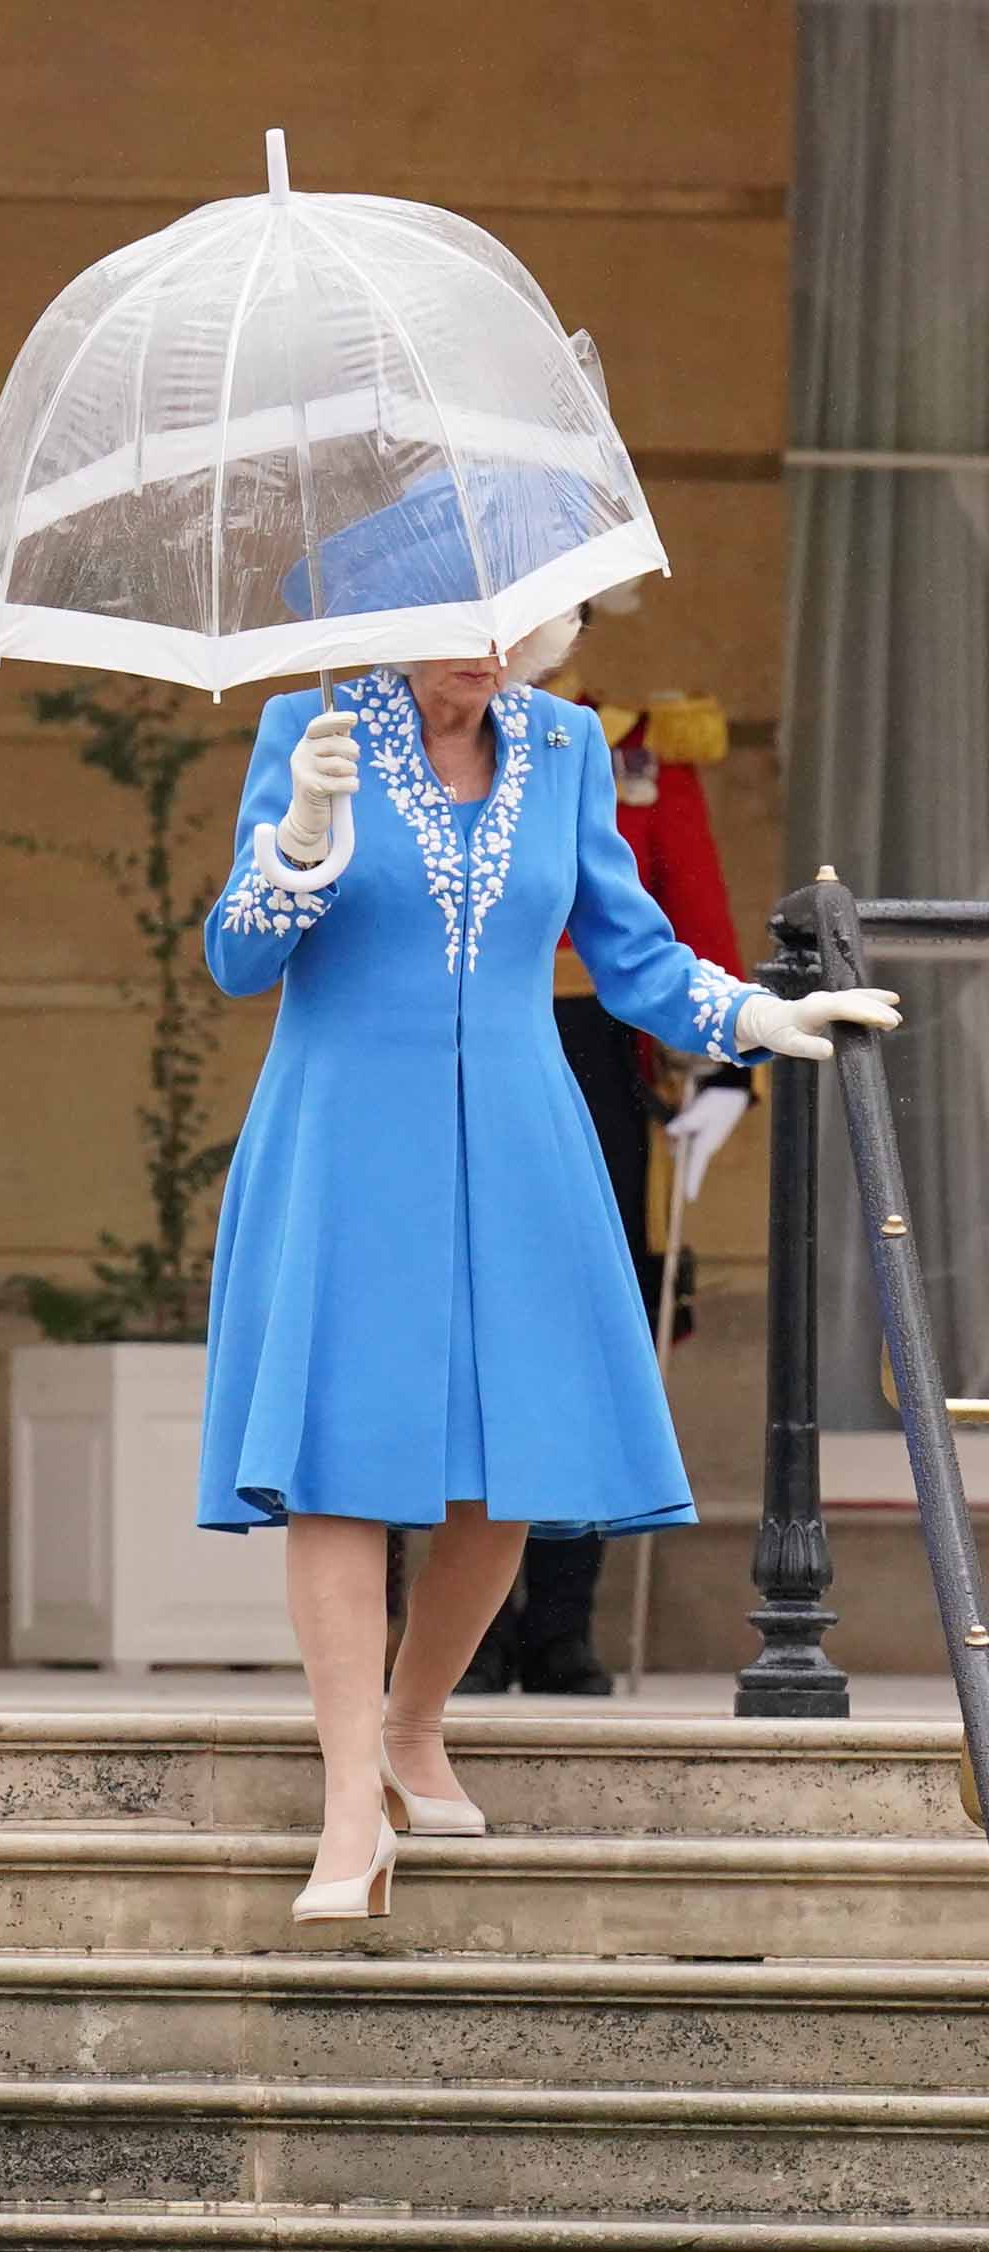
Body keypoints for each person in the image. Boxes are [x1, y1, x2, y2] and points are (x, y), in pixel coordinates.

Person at [199, 554, 897, 1923]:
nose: (496, 649)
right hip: (346, 1135)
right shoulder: (311, 729)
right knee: (340, 1464)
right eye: (464, 627)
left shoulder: (568, 745)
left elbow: (630, 954)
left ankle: (414, 1726)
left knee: (500, 1468)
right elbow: (237, 961)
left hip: (520, 1135)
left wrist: (760, 1021)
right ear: (391, 624)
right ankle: (350, 1804)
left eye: (517, 623)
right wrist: (301, 842)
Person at [459, 599, 752, 1694]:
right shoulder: (385, 740)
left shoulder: (620, 747)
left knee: (581, 1321)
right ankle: (461, 1630)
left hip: (586, 1048)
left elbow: (686, 920)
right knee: (449, 1328)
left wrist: (727, 1069)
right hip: (450, 1038)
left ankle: (558, 1623)